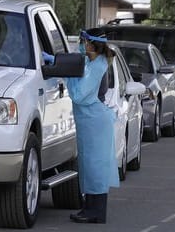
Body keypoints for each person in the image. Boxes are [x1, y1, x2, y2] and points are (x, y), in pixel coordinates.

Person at [45, 28, 119, 223]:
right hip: (88, 121)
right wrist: (54, 61)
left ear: (91, 44)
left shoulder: (98, 66)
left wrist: (68, 75)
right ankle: (89, 207)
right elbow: (76, 65)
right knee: (88, 166)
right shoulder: (91, 61)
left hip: (95, 121)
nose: (80, 44)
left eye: (83, 41)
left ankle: (96, 212)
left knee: (95, 168)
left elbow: (80, 95)